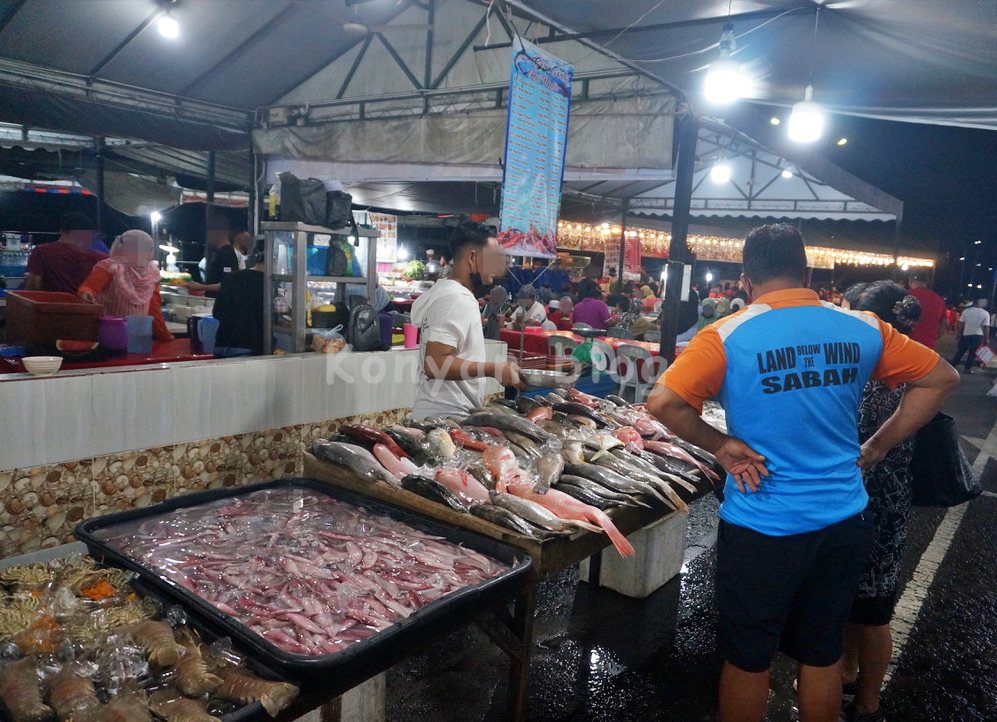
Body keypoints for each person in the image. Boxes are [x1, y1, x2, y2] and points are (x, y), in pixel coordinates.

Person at [646, 223, 957, 722]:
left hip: (763, 524)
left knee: (748, 657)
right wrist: (877, 445)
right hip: (843, 519)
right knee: (822, 651)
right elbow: (941, 377)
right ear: (807, 271)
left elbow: (663, 401)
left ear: (746, 279)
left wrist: (720, 444)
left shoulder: (727, 334)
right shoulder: (862, 327)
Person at [840, 281, 922, 722]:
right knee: (860, 600)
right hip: (881, 500)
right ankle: (850, 674)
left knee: (872, 611)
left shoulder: (885, 375)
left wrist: (870, 449)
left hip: (873, 505)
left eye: (849, 314)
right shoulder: (899, 367)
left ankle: (868, 700)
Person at [410, 221, 524, 419]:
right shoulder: (457, 298)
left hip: (444, 413)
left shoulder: (445, 292)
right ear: (472, 257)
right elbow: (434, 363)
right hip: (445, 417)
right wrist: (493, 369)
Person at [78, 230, 173, 341]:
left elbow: (154, 308)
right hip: (108, 335)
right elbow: (89, 287)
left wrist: (164, 336)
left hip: (138, 337)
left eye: (149, 249)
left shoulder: (151, 273)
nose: (147, 253)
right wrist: (86, 294)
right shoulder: (110, 267)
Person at [25, 212, 106, 294]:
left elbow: (34, 284)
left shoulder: (41, 251)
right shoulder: (100, 258)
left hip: (51, 305)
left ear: (61, 231)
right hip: (86, 305)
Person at [213, 239, 266, 357]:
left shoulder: (232, 277)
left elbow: (217, 312)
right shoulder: (268, 284)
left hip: (221, 344)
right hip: (248, 346)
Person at [187, 227, 253, 297]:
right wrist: (200, 287)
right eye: (246, 237)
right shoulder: (226, 253)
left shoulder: (245, 257)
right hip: (221, 300)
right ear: (237, 237)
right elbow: (228, 284)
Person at [907, 272, 946, 349]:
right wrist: (934, 338)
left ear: (910, 281)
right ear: (927, 282)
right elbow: (945, 324)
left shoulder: (904, 295)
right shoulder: (938, 299)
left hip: (905, 344)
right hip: (928, 346)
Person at [951, 298, 989, 373]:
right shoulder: (985, 313)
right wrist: (986, 339)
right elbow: (986, 327)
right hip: (978, 335)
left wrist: (958, 333)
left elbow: (961, 324)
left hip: (966, 334)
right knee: (972, 353)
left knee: (960, 351)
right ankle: (967, 369)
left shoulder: (966, 311)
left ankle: (952, 366)